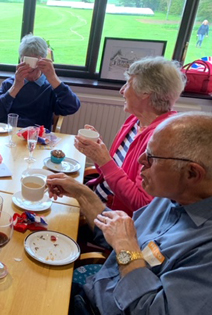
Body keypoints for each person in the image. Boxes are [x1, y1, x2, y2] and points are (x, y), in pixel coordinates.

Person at [47, 112, 212, 315]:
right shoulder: (170, 196)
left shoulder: (205, 251)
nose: (140, 161)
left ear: (192, 173)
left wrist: (126, 248)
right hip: (91, 296)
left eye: (152, 157)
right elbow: (118, 231)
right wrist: (82, 194)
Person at [75, 57, 185, 216]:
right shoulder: (134, 121)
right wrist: (98, 153)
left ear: (146, 93)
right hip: (97, 197)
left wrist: (104, 161)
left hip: (113, 218)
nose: (122, 90)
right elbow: (113, 172)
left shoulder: (164, 139)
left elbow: (141, 204)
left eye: (128, 83)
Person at [0, 34, 80, 129]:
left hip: (38, 138)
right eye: (26, 59)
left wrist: (53, 78)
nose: (30, 66)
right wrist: (16, 87)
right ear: (21, 59)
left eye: (35, 60)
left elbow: (72, 107)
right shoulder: (10, 84)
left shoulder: (50, 87)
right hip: (11, 136)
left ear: (43, 60)